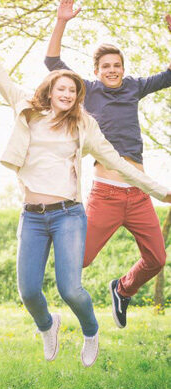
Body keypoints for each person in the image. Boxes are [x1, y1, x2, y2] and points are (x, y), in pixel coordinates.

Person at [0, 0, 170, 367]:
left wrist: (161, 191)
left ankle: (91, 331)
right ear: (51, 89)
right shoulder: (25, 105)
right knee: (28, 291)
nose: (67, 94)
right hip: (32, 214)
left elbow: (119, 162)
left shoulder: (84, 126)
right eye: (62, 88)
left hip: (68, 214)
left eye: (73, 92)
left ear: (77, 98)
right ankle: (48, 325)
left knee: (70, 287)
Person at [45, 0, 171, 329]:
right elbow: (52, 61)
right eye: (106, 66)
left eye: (117, 65)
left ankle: (122, 288)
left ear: (122, 67)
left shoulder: (134, 87)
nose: (112, 70)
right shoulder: (89, 90)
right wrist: (62, 22)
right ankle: (46, 230)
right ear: (97, 70)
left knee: (158, 259)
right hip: (107, 194)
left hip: (140, 194)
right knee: (80, 259)